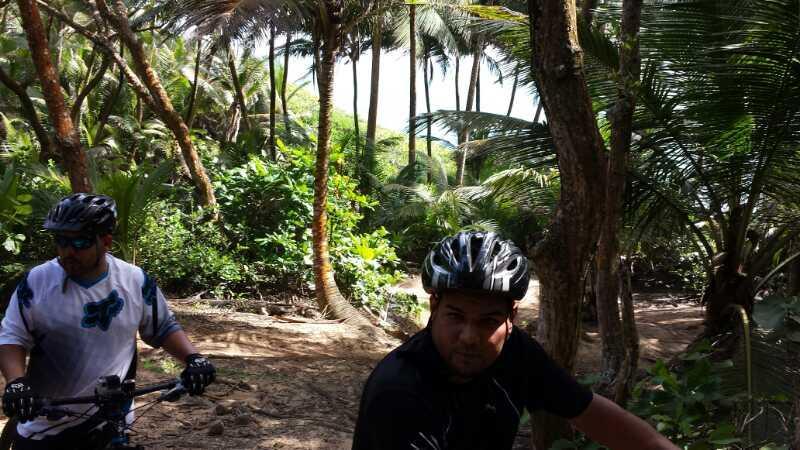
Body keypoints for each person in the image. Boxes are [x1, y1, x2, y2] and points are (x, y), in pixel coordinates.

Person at [352, 231, 678, 450]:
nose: (469, 337)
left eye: (488, 321)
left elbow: (591, 413)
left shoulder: (516, 352)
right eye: (456, 316)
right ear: (433, 306)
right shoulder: (398, 391)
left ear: (512, 318)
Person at [0, 193, 216, 449]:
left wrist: (194, 359)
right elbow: (11, 337)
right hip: (45, 422)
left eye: (79, 242)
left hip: (110, 420)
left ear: (106, 241)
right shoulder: (37, 282)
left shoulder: (135, 281)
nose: (67, 251)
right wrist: (16, 383)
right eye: (61, 241)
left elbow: (163, 327)